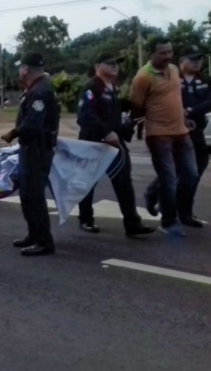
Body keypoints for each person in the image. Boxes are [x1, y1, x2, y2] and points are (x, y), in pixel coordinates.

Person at [76, 52, 155, 237]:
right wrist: (106, 132)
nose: (114, 66)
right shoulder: (91, 87)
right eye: (109, 62)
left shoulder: (113, 87)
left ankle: (132, 225)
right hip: (93, 143)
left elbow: (115, 113)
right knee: (87, 183)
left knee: (124, 183)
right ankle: (86, 219)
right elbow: (85, 116)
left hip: (115, 143)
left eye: (117, 63)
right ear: (97, 65)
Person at [129, 37, 199, 238]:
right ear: (152, 53)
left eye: (169, 52)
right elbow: (136, 107)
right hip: (159, 135)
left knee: (191, 174)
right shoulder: (142, 77)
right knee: (168, 179)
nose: (167, 56)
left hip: (181, 132)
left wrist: (183, 115)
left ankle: (152, 193)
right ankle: (169, 221)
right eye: (162, 53)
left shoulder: (175, 70)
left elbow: (175, 97)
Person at [1, 52, 60, 256]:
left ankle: (44, 241)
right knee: (27, 195)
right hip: (32, 149)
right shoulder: (36, 89)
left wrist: (13, 133)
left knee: (33, 196)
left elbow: (33, 124)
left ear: (26, 69)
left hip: (37, 150)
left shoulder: (40, 91)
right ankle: (34, 234)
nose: (19, 72)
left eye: (20, 68)